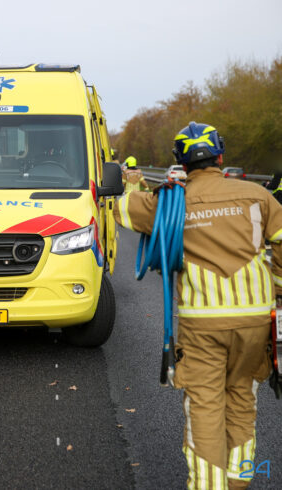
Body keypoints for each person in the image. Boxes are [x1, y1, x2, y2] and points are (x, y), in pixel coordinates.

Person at [114, 122, 282, 489]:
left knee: (205, 406)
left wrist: (133, 183)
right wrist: (278, 290)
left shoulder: (170, 200)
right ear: (221, 157)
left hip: (203, 323)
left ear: (182, 162)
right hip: (255, 319)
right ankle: (238, 480)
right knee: (242, 398)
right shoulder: (257, 195)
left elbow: (123, 211)